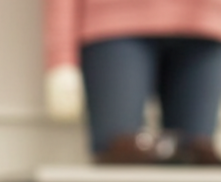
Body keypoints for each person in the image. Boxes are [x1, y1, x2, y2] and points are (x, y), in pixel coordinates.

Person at [44, 0, 221, 163]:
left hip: (206, 25)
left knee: (197, 160)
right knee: (119, 153)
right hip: (113, 22)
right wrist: (61, 58)